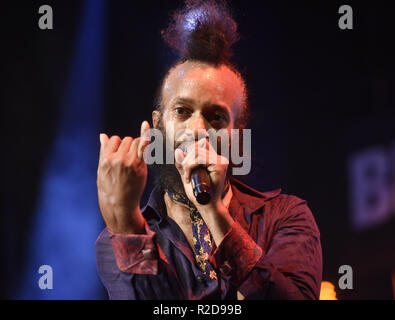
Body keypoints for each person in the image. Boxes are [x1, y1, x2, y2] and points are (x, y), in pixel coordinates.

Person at [95, 0, 322, 300]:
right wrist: (125, 222)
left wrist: (213, 212)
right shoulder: (120, 237)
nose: (198, 129)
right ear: (157, 126)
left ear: (237, 134)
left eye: (216, 117)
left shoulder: (286, 217)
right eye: (182, 111)